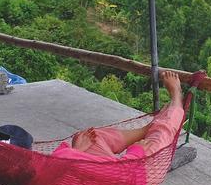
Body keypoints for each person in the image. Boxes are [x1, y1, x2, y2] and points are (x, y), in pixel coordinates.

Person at [51, 69, 185, 162]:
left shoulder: (41, 168)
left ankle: (147, 129)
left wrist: (77, 151)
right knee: (157, 140)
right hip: (129, 180)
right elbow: (122, 173)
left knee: (87, 136)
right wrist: (136, 151)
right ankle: (177, 98)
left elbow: (59, 163)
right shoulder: (39, 174)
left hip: (78, 167)